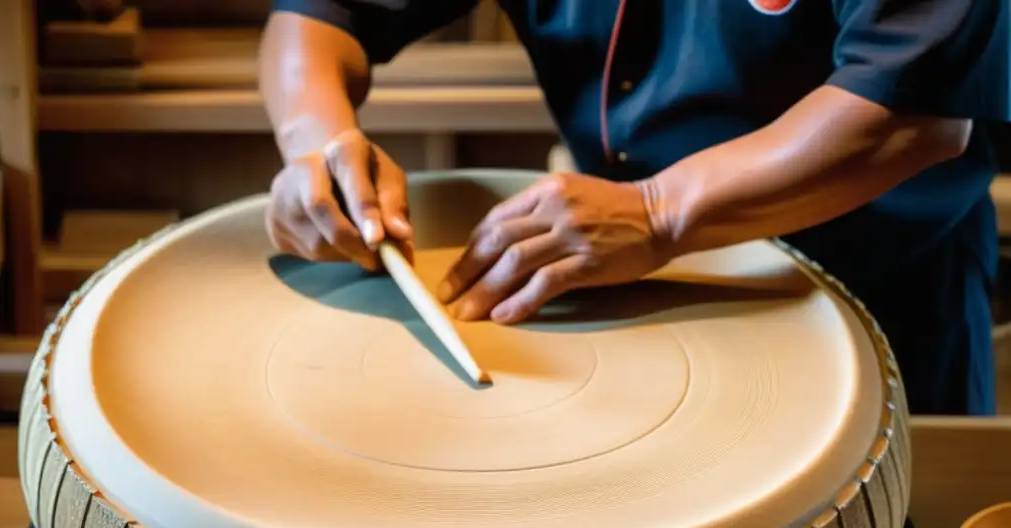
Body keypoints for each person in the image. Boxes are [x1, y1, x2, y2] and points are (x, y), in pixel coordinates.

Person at [258, 0, 1009, 416]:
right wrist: (314, 141)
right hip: (620, 277)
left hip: (880, 278)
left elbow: (911, 114)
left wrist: (660, 212)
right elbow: (323, 14)